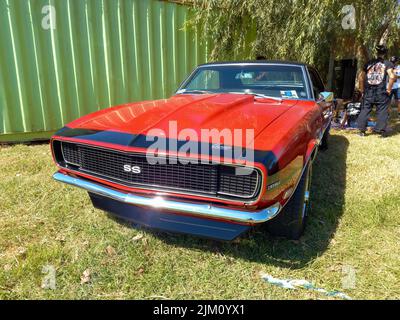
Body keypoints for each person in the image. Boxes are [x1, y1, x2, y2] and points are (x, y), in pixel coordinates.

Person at [357, 45, 396, 137]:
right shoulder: (388, 64)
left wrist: (362, 90)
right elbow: (392, 76)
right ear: (385, 53)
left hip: (368, 91)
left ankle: (361, 131)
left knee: (365, 110)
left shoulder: (368, 63)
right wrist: (389, 89)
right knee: (382, 110)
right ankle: (381, 132)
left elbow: (360, 77)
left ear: (377, 53)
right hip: (381, 91)